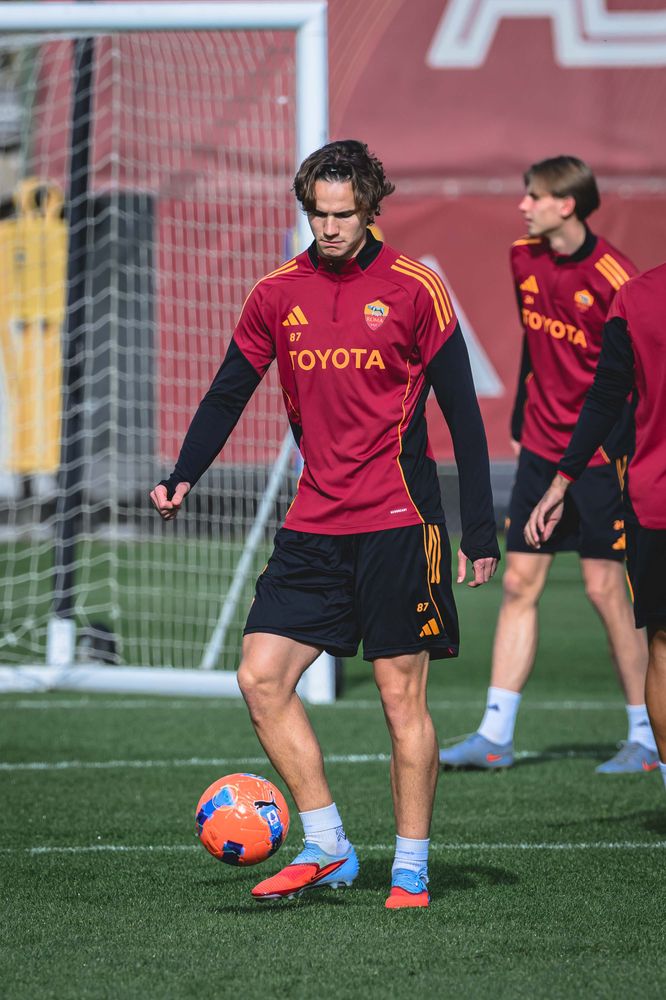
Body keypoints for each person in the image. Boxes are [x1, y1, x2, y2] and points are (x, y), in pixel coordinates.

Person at [150, 140, 499, 909]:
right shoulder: (277, 293)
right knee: (260, 677)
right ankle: (329, 844)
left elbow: (465, 419)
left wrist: (480, 529)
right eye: (319, 213)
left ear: (371, 208)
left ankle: (410, 866)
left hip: (400, 522)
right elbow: (225, 394)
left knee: (398, 699)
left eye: (344, 214)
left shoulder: (416, 289)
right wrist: (182, 475)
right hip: (313, 523)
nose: (330, 227)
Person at [439, 155, 656, 774]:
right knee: (518, 583)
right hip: (539, 449)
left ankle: (646, 734)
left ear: (567, 204)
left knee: (604, 589)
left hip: (599, 458)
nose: (522, 206)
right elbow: (538, 347)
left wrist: (613, 451)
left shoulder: (619, 277)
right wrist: (523, 420)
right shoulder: (522, 257)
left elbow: (636, 377)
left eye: (533, 197)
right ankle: (495, 734)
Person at [524, 261, 666, 795]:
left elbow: (605, 399)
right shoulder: (633, 297)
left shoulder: (635, 295)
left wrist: (562, 481)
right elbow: (607, 398)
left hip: (654, 497)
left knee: (662, 645)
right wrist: (563, 482)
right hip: (656, 497)